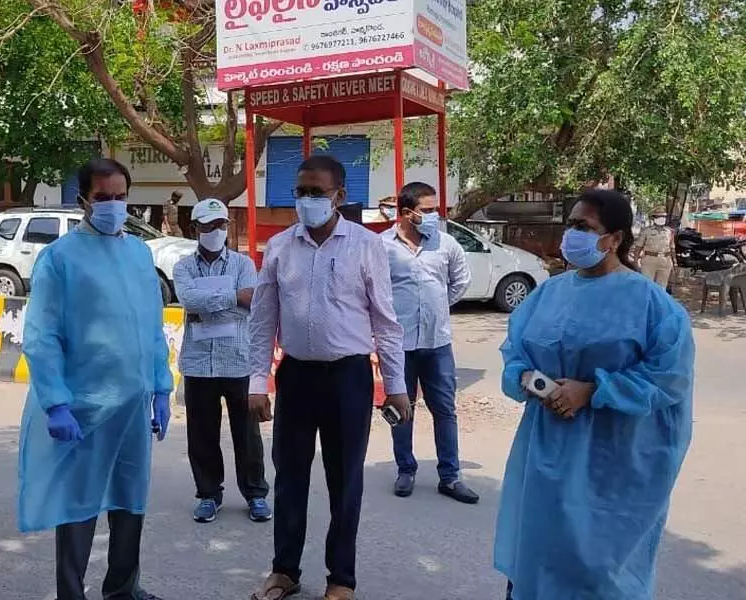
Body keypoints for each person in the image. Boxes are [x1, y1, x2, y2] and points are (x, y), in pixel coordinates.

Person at [496, 189, 694, 600]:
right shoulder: (549, 292)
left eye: (583, 227)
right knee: (540, 547)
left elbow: (669, 377)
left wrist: (594, 390)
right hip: (545, 448)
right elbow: (515, 347)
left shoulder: (653, 305)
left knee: (596, 564)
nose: (571, 235)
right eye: (570, 224)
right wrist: (527, 376)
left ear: (614, 238)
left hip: (612, 460)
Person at [248, 156, 413, 600]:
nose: (307, 200)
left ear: (340, 196)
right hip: (297, 377)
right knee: (289, 478)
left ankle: (341, 579)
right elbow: (263, 319)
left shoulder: (366, 245)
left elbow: (385, 320)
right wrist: (256, 382)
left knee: (345, 481)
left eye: (317, 192)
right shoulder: (280, 246)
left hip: (348, 379)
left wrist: (396, 386)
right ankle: (284, 571)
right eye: (301, 191)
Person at [19, 158, 171, 600]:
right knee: (78, 505)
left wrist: (161, 387)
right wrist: (56, 402)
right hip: (84, 405)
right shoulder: (60, 258)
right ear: (83, 199)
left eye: (121, 196)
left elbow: (152, 326)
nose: (113, 205)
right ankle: (72, 591)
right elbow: (41, 334)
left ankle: (123, 587)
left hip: (133, 402)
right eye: (103, 197)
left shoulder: (140, 253)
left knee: (130, 499)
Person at [173, 198, 270, 524]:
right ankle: (208, 494)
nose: (216, 231)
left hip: (237, 360)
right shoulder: (183, 267)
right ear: (194, 229)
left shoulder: (243, 265)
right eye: (208, 226)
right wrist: (231, 297)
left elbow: (253, 302)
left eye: (221, 225)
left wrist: (209, 303)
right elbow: (189, 300)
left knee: (247, 435)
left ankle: (255, 494)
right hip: (199, 363)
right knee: (202, 434)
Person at [381, 182, 479, 504]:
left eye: (436, 209)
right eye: (427, 210)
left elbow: (460, 282)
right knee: (400, 408)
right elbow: (375, 292)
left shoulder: (446, 244)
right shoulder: (383, 246)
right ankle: (405, 470)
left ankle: (450, 477)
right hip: (399, 345)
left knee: (444, 410)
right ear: (407, 213)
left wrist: (435, 309)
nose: (434, 215)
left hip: (437, 345)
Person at [634, 208, 676, 288]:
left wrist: (674, 262)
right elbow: (638, 247)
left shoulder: (669, 232)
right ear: (654, 218)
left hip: (665, 261)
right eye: (659, 217)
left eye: (663, 217)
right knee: (647, 286)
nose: (662, 219)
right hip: (649, 261)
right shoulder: (646, 231)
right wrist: (636, 262)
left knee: (661, 288)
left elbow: (672, 247)